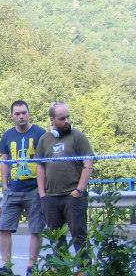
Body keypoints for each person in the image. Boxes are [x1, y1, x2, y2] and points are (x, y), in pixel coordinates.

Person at [0, 100, 47, 276]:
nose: (21, 116)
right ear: (12, 116)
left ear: (28, 113)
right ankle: (6, 267)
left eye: (24, 113)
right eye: (17, 114)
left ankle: (32, 267)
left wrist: (42, 189)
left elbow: (45, 162)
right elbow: (4, 161)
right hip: (14, 189)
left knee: (36, 229)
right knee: (3, 227)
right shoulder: (8, 135)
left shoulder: (40, 133)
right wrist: (5, 185)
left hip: (33, 189)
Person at [36, 101, 93, 259]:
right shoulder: (44, 139)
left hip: (73, 196)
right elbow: (39, 167)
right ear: (52, 120)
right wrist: (42, 194)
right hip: (51, 197)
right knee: (56, 238)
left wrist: (79, 190)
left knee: (79, 236)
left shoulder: (78, 136)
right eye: (62, 118)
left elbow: (88, 164)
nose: (67, 121)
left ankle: (85, 272)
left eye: (68, 117)